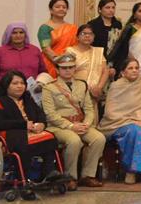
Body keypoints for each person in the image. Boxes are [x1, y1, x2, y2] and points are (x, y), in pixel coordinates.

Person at [0, 72, 64, 197]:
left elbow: (40, 115)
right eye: (15, 83)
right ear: (6, 85)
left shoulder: (27, 99)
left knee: (50, 137)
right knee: (23, 142)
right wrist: (23, 124)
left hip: (30, 132)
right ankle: (24, 181)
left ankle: (49, 173)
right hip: (9, 134)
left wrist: (41, 125)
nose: (20, 86)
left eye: (22, 83)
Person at [40, 54, 105, 188]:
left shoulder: (81, 85)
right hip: (59, 126)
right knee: (74, 140)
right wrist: (70, 126)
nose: (68, 70)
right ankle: (70, 178)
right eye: (64, 68)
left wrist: (86, 124)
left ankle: (88, 175)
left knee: (99, 138)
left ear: (75, 69)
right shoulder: (49, 88)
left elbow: (89, 108)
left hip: (81, 124)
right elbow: (50, 114)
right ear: (57, 70)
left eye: (71, 67)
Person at [99, 58, 141, 183]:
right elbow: (111, 112)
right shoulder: (116, 86)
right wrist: (132, 121)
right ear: (123, 72)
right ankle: (131, 172)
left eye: (136, 68)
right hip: (118, 123)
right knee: (136, 131)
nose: (134, 71)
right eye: (130, 68)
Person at [0, 23, 45, 101]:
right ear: (9, 35)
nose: (18, 35)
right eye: (14, 33)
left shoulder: (35, 50)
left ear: (25, 35)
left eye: (21, 32)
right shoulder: (0, 51)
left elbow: (43, 72)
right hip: (6, 95)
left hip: (32, 95)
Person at [68, 23, 110, 101]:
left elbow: (105, 71)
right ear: (77, 37)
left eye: (90, 34)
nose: (87, 36)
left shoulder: (98, 52)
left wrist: (99, 87)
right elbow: (66, 72)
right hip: (74, 92)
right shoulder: (70, 52)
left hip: (94, 93)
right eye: (84, 33)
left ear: (94, 37)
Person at [37, 0, 78, 75]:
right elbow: (46, 48)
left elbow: (76, 46)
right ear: (51, 10)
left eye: (64, 7)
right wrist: (59, 61)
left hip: (70, 63)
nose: (61, 9)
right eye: (57, 7)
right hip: (51, 63)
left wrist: (68, 62)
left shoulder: (72, 27)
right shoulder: (44, 28)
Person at [87, 0, 124, 70]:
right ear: (100, 9)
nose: (111, 10)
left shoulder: (118, 24)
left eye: (113, 8)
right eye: (107, 8)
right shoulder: (92, 24)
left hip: (115, 61)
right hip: (97, 60)